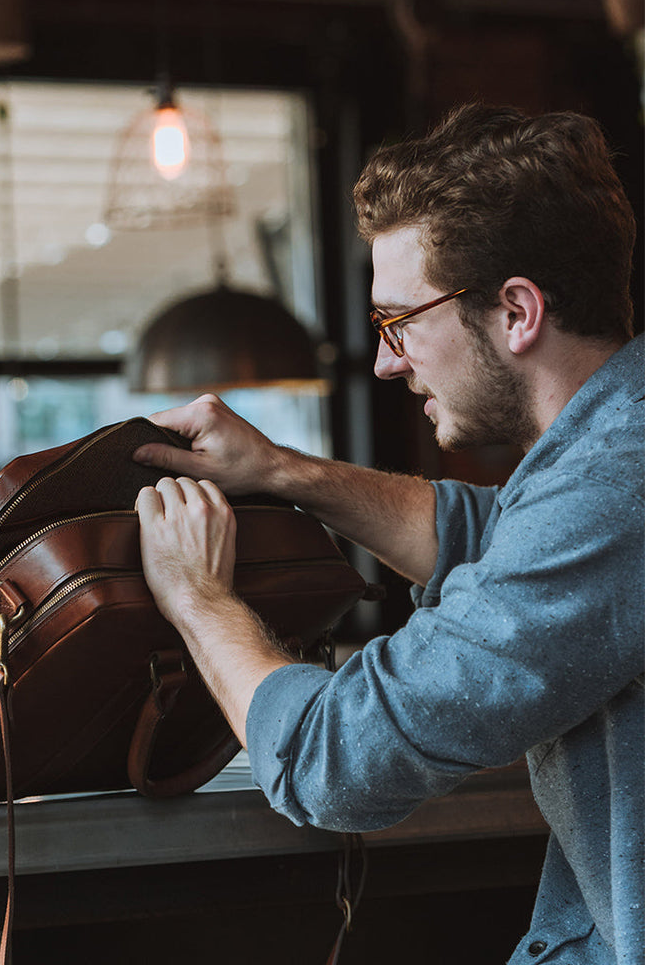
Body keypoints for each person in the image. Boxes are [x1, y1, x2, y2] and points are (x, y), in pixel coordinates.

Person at [132, 104, 643, 965]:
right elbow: (496, 540)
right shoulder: (613, 451)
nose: (386, 360)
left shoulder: (611, 489)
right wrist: (280, 471)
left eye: (399, 321)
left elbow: (333, 761)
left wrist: (197, 600)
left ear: (518, 312)